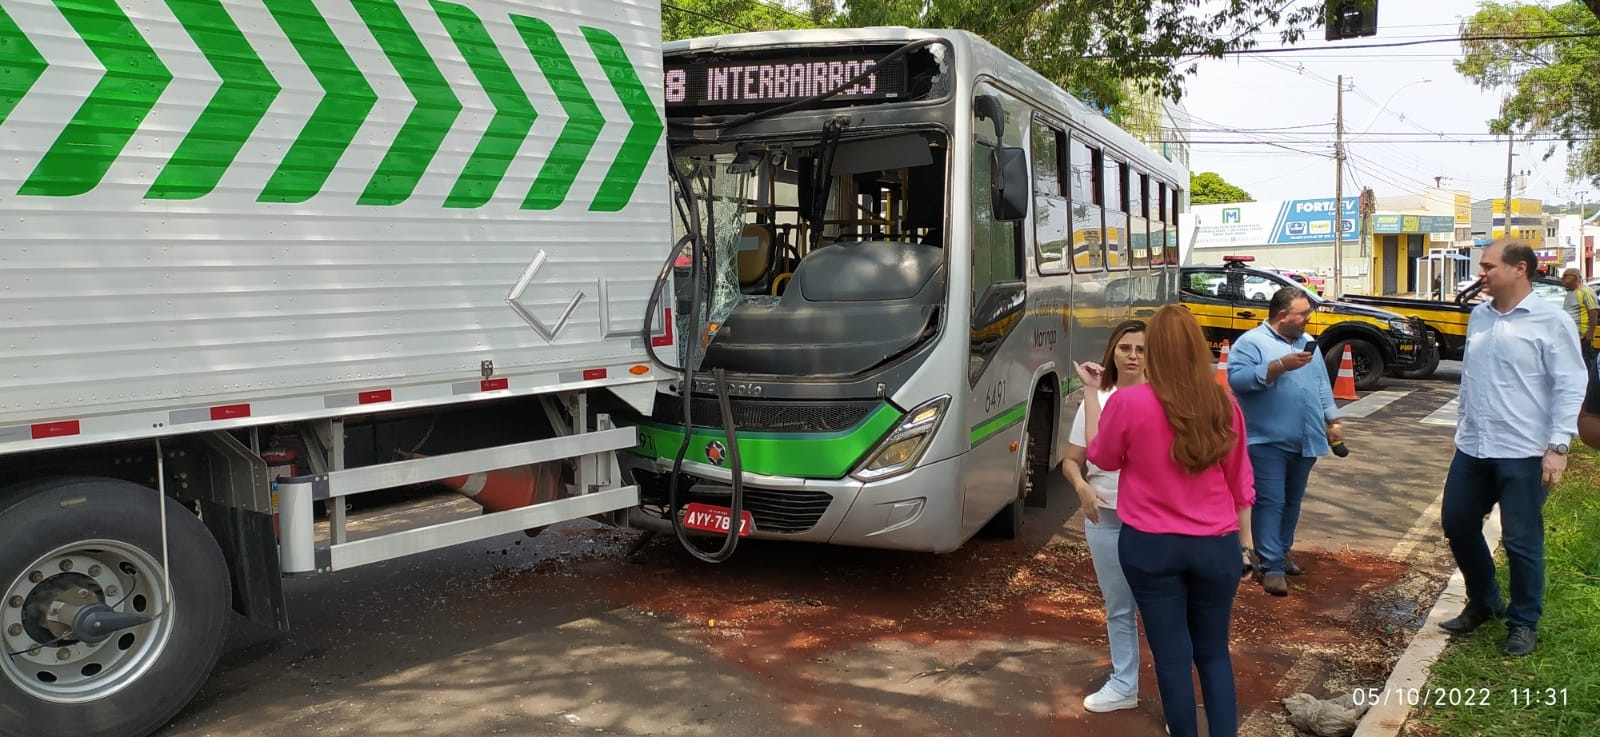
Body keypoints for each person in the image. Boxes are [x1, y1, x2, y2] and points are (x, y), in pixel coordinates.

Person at [1081, 305, 1254, 737]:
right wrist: (1247, 545)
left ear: (1155, 350)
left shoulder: (1129, 401)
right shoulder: (1223, 403)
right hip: (1215, 544)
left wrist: (1092, 395)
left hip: (1150, 544)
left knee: (1172, 654)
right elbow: (1241, 482)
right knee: (1214, 650)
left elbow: (1101, 457)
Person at [1439, 239, 1586, 657]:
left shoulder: (1550, 320)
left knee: (1521, 540)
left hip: (1524, 450)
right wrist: (1464, 426)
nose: (1480, 273)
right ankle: (1485, 600)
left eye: (1488, 266)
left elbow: (1570, 384)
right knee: (1457, 522)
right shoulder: (1480, 317)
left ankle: (1524, 622)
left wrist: (1558, 446)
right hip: (1474, 446)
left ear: (1519, 268)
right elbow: (1472, 380)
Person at [1226, 287, 1342, 597]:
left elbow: (1319, 384)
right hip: (1266, 440)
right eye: (1302, 314)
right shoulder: (1251, 343)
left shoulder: (1307, 343)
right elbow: (1238, 381)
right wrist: (1279, 367)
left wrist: (1332, 421)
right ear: (1282, 315)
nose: (1308, 319)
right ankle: (1271, 566)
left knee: (1292, 501)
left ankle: (1281, 552)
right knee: (1270, 501)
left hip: (1305, 439)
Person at [1061, 320, 1147, 713]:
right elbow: (1072, 460)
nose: (1132, 356)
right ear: (1113, 351)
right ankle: (1125, 683)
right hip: (1105, 520)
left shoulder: (1163, 398)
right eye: (1125, 348)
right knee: (1119, 606)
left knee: (1164, 608)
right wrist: (1081, 488)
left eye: (1141, 349)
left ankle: (1179, 693)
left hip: (1153, 520)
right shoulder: (1098, 398)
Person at [1559, 268, 1598, 370]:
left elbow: (1593, 311)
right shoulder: (1570, 293)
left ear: (1575, 278)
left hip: (1582, 336)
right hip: (1571, 335)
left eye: (1565, 276)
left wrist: (1589, 334)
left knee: (1583, 364)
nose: (1562, 279)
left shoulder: (1585, 291)